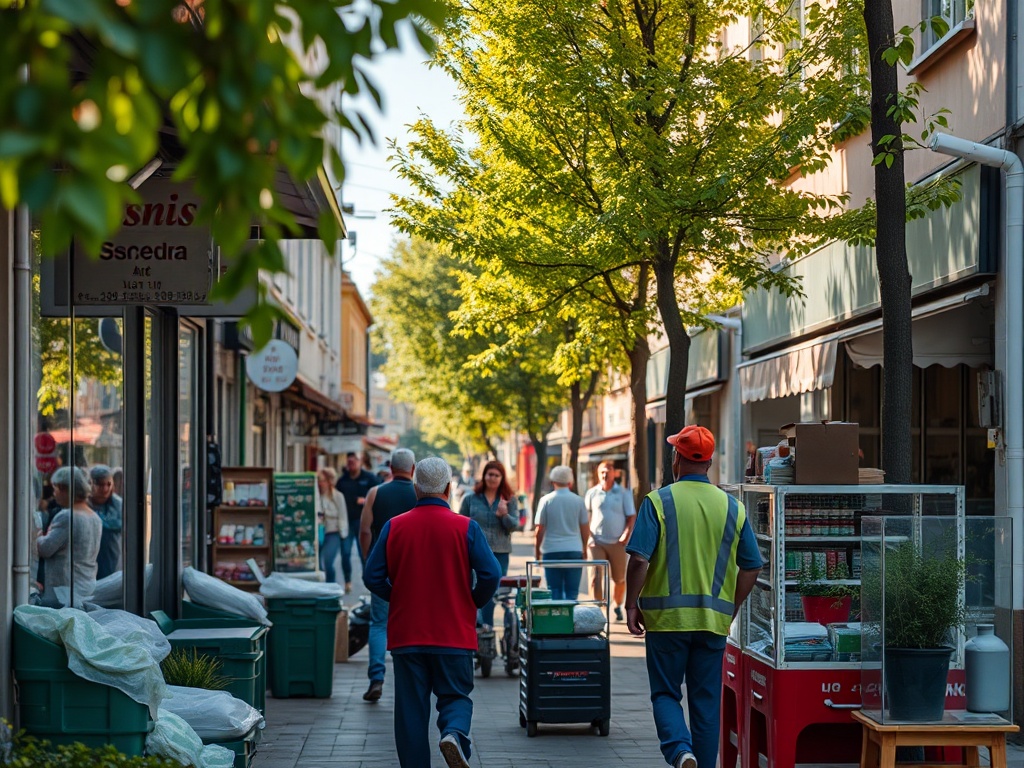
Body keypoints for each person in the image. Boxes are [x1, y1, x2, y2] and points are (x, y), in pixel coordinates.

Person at [625, 425, 762, 768]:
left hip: (666, 621)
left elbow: (639, 559)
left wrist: (630, 604)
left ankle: (680, 751)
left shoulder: (658, 502)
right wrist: (730, 608)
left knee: (666, 693)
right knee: (705, 701)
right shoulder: (732, 507)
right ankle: (702, 762)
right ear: (710, 462)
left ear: (677, 459)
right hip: (712, 622)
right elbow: (752, 567)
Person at [363, 457, 500, 768]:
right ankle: (453, 733)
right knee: (456, 696)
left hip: (408, 634)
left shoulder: (394, 526)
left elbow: (372, 576)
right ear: (449, 488)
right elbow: (491, 574)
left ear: (415, 488)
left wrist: (396, 595)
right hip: (454, 632)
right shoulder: (466, 528)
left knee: (410, 709)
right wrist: (473, 601)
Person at [359, 448, 417, 702]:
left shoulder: (375, 493)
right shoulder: (420, 493)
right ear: (412, 469)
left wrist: (368, 559)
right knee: (413, 623)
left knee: (379, 623)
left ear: (391, 468)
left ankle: (377, 678)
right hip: (413, 570)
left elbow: (364, 531)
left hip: (383, 568)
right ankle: (413, 678)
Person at [458, 460, 518, 630]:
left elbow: (514, 526)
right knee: (479, 591)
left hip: (500, 552)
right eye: (489, 474)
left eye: (496, 475)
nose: (492, 478)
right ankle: (484, 629)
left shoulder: (509, 499)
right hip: (476, 553)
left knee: (498, 592)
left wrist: (504, 515)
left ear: (502, 478)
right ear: (484, 476)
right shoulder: (470, 498)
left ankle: (499, 630)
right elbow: (461, 523)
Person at [36, 466, 103, 606]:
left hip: (63, 591)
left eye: (56, 489)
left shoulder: (67, 516)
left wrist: (36, 534)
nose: (54, 494)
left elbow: (45, 548)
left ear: (64, 488)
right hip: (86, 586)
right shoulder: (94, 517)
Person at [585, 460, 636, 622]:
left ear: (614, 473)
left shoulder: (623, 493)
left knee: (619, 579)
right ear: (598, 474)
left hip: (617, 542)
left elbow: (631, 517)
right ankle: (598, 609)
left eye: (608, 471)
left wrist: (625, 536)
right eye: (602, 472)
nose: (605, 474)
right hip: (596, 541)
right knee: (595, 577)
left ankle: (616, 605)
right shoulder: (592, 493)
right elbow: (586, 518)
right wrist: (588, 538)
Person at [533, 465, 589, 600]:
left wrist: (537, 552)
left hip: (551, 550)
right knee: (572, 591)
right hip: (574, 549)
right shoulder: (578, 500)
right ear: (570, 482)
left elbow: (539, 529)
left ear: (553, 481)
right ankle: (570, 619)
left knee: (554, 590)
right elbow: (585, 528)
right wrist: (584, 548)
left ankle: (558, 619)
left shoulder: (545, 500)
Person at [335, 451, 381, 592]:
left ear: (360, 462)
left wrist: (366, 500)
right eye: (349, 463)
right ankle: (348, 581)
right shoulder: (342, 481)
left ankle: (366, 580)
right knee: (346, 553)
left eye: (353, 462)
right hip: (346, 522)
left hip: (364, 522)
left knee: (364, 553)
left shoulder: (370, 478)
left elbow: (379, 495)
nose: (351, 465)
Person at [88, 465, 123, 580]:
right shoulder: (84, 503)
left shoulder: (118, 504)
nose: (105, 489)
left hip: (111, 561)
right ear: (91, 484)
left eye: (108, 484)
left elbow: (117, 524)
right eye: (100, 485)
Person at [317, 467, 348, 586]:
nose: (320, 483)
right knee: (318, 564)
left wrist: (343, 534)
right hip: (318, 532)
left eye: (322, 480)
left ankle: (331, 586)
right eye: (319, 480)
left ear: (329, 481)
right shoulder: (316, 496)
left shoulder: (338, 496)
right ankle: (321, 587)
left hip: (333, 531)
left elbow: (343, 516)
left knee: (328, 562)